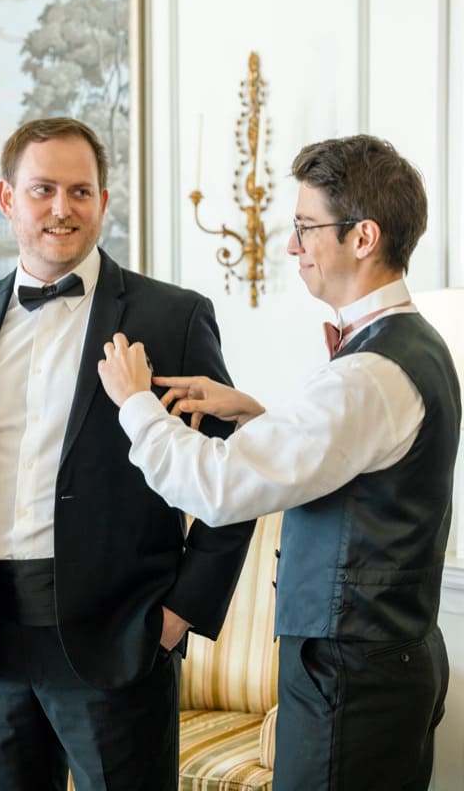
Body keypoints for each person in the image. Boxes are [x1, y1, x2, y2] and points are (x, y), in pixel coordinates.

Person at [0, 117, 255, 791]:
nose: (62, 208)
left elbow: (239, 475)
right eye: (43, 188)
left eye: (81, 191)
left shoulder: (173, 318)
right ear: (8, 198)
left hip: (120, 640)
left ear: (104, 202)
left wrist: (180, 613)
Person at [97, 134, 459, 790]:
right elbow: (359, 465)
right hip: (385, 661)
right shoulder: (411, 345)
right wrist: (257, 416)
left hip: (353, 677)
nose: (292, 246)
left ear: (363, 237)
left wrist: (132, 402)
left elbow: (216, 487)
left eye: (305, 227)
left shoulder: (370, 373)